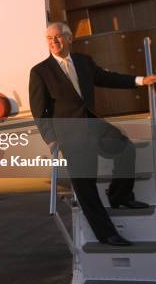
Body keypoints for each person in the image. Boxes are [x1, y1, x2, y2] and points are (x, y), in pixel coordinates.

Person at [29, 22, 156, 246]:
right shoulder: (40, 72)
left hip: (92, 124)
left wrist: (140, 81)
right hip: (69, 135)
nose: (54, 42)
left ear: (69, 39)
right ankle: (106, 233)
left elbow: (108, 78)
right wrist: (50, 139)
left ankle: (120, 196)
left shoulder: (83, 62)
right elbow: (40, 111)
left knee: (125, 148)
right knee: (85, 186)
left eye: (58, 37)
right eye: (49, 39)